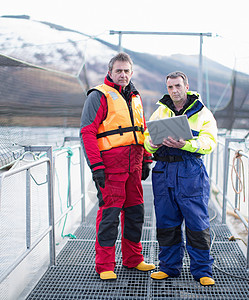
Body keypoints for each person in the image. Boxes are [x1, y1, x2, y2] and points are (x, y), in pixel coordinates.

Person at [80, 52, 155, 280]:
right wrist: (96, 167)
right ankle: (105, 266)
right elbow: (87, 132)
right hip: (110, 169)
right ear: (110, 72)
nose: (122, 75)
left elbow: (141, 131)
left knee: (135, 214)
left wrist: (146, 161)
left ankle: (133, 260)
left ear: (131, 73)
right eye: (118, 71)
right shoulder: (98, 96)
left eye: (126, 71)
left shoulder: (135, 97)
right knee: (109, 217)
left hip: (133, 167)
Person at [144, 71, 218, 286]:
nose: (174, 91)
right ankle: (168, 267)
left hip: (190, 172)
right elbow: (147, 141)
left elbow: (210, 142)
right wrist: (153, 144)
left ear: (186, 86)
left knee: (197, 222)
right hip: (164, 171)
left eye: (178, 86)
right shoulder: (160, 112)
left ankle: (203, 271)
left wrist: (185, 144)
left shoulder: (203, 113)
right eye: (170, 87)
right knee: (166, 222)